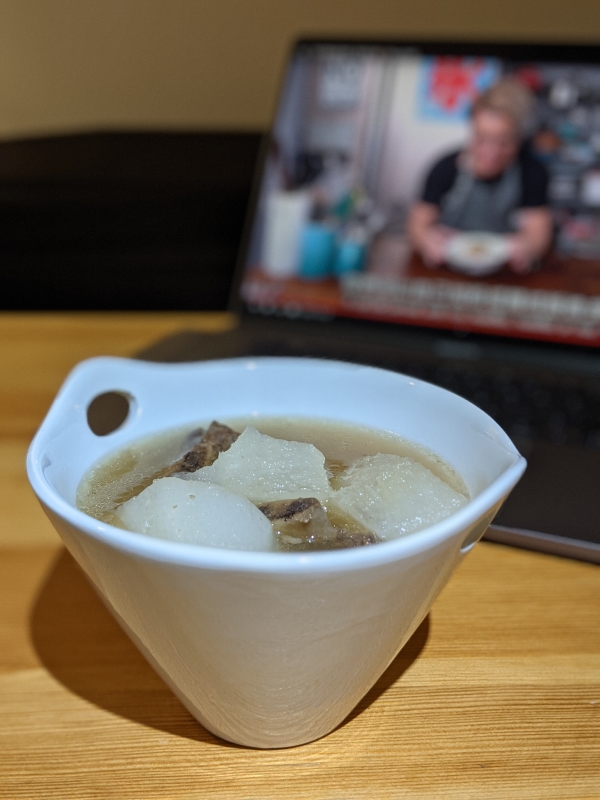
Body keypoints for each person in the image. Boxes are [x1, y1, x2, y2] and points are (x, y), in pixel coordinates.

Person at [407, 78, 553, 274]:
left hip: (504, 276)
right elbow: (418, 223)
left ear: (519, 138)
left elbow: (539, 234)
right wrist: (427, 240)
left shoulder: (531, 173)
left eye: (503, 141)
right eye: (482, 138)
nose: (490, 152)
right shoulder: (446, 167)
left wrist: (527, 247)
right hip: (446, 273)